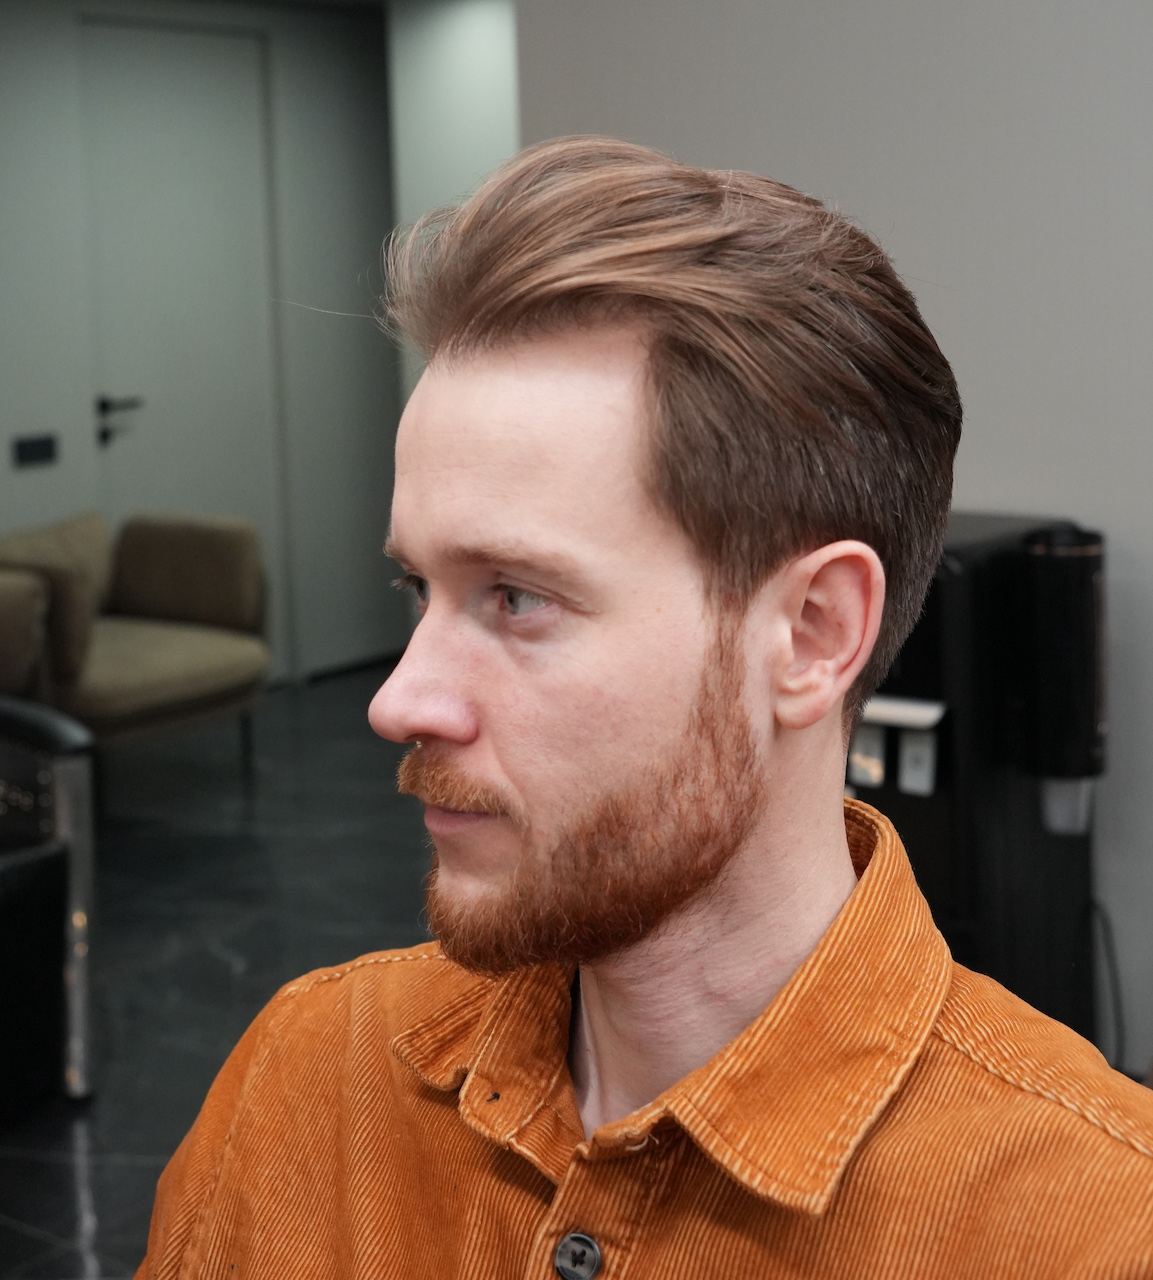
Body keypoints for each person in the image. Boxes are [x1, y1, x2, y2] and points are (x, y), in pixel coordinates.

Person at [137, 138, 1153, 1280]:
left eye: (515, 596)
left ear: (812, 633)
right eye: (419, 588)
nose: (399, 697)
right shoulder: (306, 1084)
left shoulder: (1101, 1231)